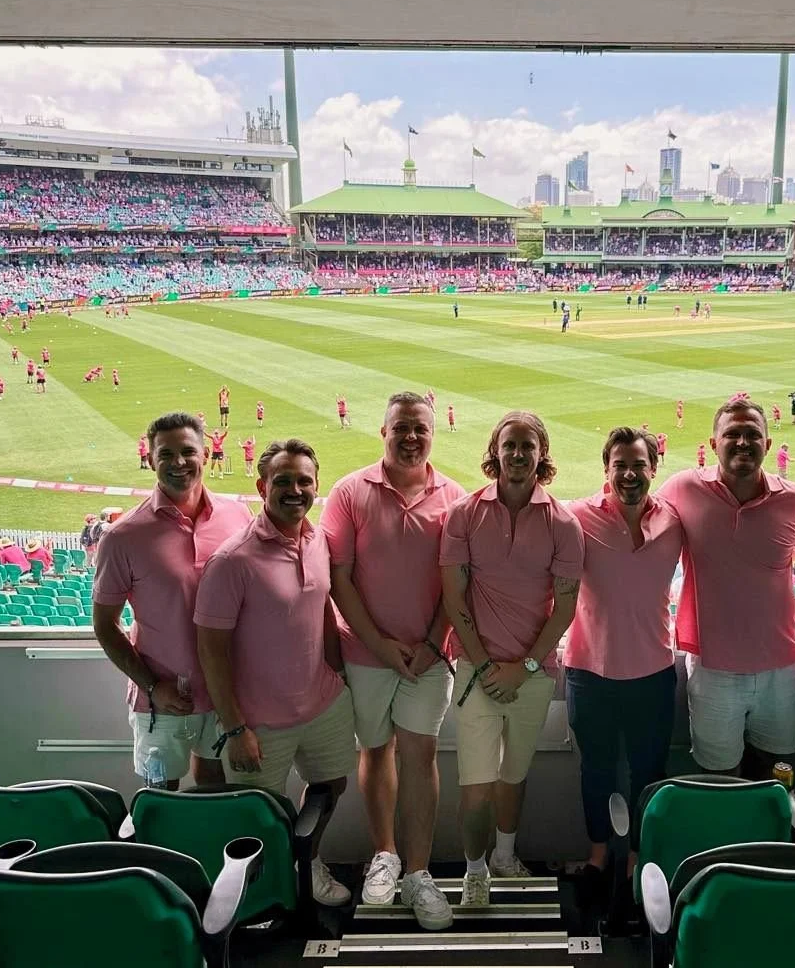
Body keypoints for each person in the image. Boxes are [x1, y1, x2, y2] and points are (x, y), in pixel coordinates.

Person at [321, 394, 465, 929]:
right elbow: (340, 580)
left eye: (420, 429)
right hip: (366, 651)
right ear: (382, 430)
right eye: (401, 428)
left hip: (429, 658)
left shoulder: (454, 497)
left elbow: (457, 585)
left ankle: (419, 874)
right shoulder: (349, 491)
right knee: (376, 750)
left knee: (420, 754)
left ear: (434, 433)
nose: (410, 437)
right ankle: (385, 856)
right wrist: (383, 647)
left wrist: (430, 644)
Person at [196, 438, 356, 908]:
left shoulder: (318, 539)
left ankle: (307, 861)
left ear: (316, 486)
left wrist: (337, 671)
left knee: (331, 786)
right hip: (258, 721)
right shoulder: (233, 560)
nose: (294, 490)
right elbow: (212, 650)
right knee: (258, 817)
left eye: (304, 481)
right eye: (282, 481)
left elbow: (321, 606)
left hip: (322, 703)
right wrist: (235, 726)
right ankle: (271, 889)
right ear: (262, 486)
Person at [439, 411, 584, 908]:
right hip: (476, 672)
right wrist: (483, 666)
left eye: (528, 446)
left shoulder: (563, 522)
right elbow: (453, 598)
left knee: (514, 776)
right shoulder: (464, 513)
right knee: (475, 785)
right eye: (509, 446)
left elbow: (565, 606)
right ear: (494, 451)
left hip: (532, 675)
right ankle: (474, 870)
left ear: (542, 454)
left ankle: (504, 856)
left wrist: (521, 668)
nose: (518, 455)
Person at [92, 412, 253, 793]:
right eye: (166, 454)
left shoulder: (238, 515)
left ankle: (207, 855)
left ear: (206, 455)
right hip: (164, 700)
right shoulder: (122, 536)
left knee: (216, 789)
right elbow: (105, 625)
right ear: (150, 460)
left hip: (228, 693)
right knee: (159, 794)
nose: (178, 463)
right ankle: (157, 857)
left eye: (187, 452)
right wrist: (151, 687)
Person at [658, 397, 795, 778]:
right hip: (714, 668)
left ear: (767, 444)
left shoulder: (793, 499)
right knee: (719, 778)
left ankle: (773, 840)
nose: (743, 442)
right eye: (732, 434)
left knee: (778, 776)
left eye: (752, 435)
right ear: (714, 444)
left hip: (782, 666)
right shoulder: (682, 489)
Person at [564, 427, 682, 889]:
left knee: (649, 773)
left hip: (653, 671)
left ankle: (638, 860)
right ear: (606, 470)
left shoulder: (674, 521)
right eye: (620, 465)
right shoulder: (577, 517)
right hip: (589, 671)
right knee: (596, 768)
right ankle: (597, 859)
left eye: (639, 465)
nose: (630, 474)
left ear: (653, 469)